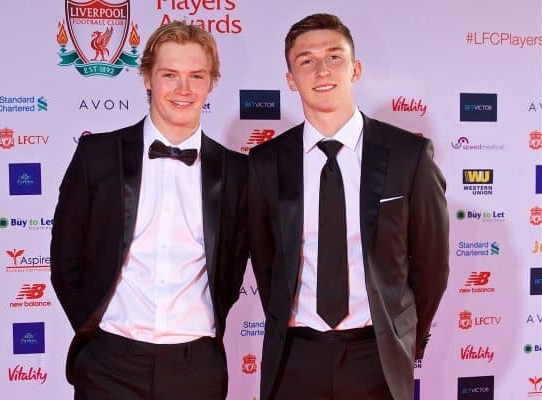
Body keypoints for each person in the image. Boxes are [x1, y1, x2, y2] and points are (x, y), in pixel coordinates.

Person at [248, 13, 449, 400]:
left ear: (355, 69)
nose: (322, 69)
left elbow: (432, 265)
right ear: (291, 80)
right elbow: (266, 262)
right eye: (306, 60)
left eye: (334, 57)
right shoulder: (265, 163)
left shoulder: (410, 155)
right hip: (294, 356)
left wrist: (404, 338)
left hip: (377, 356)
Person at [50, 21, 248, 400]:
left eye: (196, 76)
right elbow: (65, 262)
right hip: (109, 364)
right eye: (169, 75)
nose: (183, 89)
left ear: (212, 82)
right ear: (146, 78)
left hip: (198, 368)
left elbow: (234, 266)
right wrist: (96, 333)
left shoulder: (237, 172)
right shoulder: (97, 156)